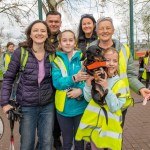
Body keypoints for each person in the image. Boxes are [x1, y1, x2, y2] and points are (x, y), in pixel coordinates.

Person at [83, 17, 150, 128]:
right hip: (96, 102)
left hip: (118, 102)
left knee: (115, 137)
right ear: (96, 32)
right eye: (101, 28)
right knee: (97, 138)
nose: (105, 31)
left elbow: (130, 75)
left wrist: (140, 88)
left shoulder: (125, 49)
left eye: (108, 28)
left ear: (113, 30)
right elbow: (86, 74)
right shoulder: (89, 50)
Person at [0, 20, 55, 150]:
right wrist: (4, 103)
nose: (39, 33)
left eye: (43, 30)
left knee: (46, 143)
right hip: (27, 106)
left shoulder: (52, 54)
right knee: (27, 144)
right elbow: (8, 78)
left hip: (47, 105)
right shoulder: (21, 53)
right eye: (35, 30)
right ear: (30, 34)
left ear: (47, 34)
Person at [76, 47, 131, 150]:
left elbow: (114, 107)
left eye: (115, 61)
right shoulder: (97, 77)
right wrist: (88, 84)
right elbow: (88, 99)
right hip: (96, 127)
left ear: (118, 63)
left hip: (109, 130)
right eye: (107, 60)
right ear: (101, 61)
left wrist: (106, 87)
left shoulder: (120, 83)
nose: (110, 63)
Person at [52, 30, 88, 150]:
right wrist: (74, 78)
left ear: (75, 42)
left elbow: (89, 80)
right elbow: (57, 83)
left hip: (81, 107)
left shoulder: (83, 58)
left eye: (70, 40)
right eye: (64, 40)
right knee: (67, 142)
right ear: (60, 43)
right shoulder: (56, 61)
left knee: (79, 141)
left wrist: (81, 91)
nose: (68, 43)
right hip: (63, 109)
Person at [46, 10, 62, 149]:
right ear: (46, 22)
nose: (53, 24)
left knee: (58, 115)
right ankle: (44, 138)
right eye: (50, 21)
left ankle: (56, 138)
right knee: (44, 114)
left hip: (60, 84)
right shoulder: (39, 36)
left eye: (56, 21)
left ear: (60, 23)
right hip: (43, 84)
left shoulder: (65, 39)